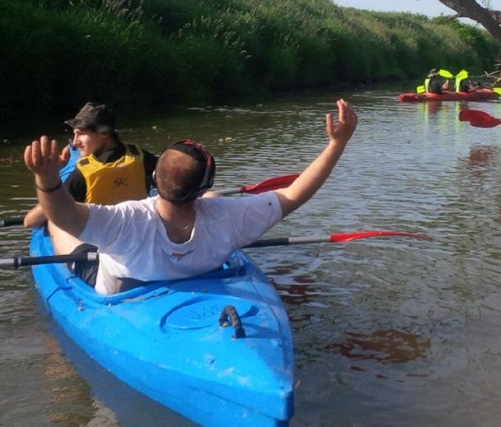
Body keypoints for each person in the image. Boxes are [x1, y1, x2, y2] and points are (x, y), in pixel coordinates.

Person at [24, 99, 358, 296]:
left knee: (56, 226)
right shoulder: (229, 216)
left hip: (118, 291)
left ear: (154, 177)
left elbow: (63, 214)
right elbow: (295, 193)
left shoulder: (124, 219)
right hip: (196, 267)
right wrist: (337, 143)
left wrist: (46, 178)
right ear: (201, 189)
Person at [24, 102, 158, 275]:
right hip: (139, 238)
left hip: (100, 248)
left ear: (104, 133)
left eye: (81, 134)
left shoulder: (83, 173)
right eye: (74, 135)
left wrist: (46, 180)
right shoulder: (141, 157)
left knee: (53, 218)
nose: (75, 142)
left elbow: (30, 222)